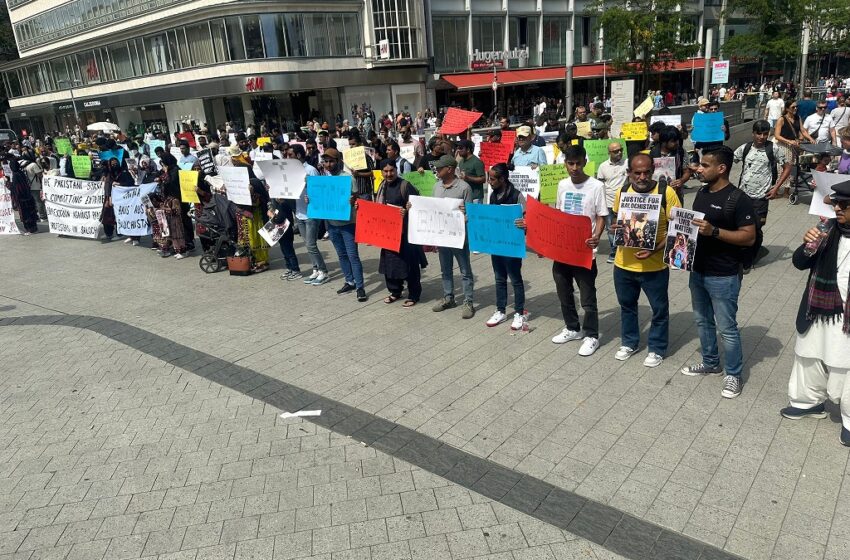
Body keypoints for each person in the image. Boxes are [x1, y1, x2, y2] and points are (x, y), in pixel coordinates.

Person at [682, 146, 757, 399]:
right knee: (703, 321)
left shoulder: (738, 199)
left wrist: (714, 231)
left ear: (721, 168)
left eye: (704, 165)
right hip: (698, 270)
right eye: (699, 165)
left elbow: (748, 237)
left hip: (724, 274)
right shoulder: (702, 193)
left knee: (727, 327)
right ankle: (710, 361)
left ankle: (734, 375)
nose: (698, 169)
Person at [780, 180, 850, 446]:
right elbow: (800, 262)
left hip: (847, 317)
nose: (837, 209)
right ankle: (807, 402)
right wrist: (807, 243)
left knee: (845, 365)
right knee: (807, 355)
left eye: (844, 205)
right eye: (836, 204)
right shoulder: (827, 228)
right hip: (820, 307)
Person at [611, 153, 681, 367]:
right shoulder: (622, 192)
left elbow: (679, 229)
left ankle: (657, 348)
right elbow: (617, 218)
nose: (642, 177)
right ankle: (630, 343)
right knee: (627, 306)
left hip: (655, 266)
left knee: (659, 309)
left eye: (646, 172)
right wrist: (616, 227)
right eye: (637, 173)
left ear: (653, 171)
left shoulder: (666, 193)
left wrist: (655, 250)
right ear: (629, 173)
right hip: (623, 264)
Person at [549, 145, 607, 356]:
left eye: (578, 163)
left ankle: (592, 335)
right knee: (564, 292)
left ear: (584, 162)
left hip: (584, 252)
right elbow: (558, 214)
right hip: (563, 251)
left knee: (587, 297)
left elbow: (601, 215)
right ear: (565, 163)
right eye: (570, 163)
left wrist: (597, 236)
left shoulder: (596, 186)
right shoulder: (563, 185)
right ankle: (573, 328)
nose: (574, 168)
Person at [423, 154, 475, 318]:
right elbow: (432, 209)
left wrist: (464, 215)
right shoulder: (437, 187)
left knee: (465, 270)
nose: (436, 170)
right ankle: (448, 298)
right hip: (442, 236)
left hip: (458, 236)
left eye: (439, 168)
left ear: (450, 169)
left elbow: (471, 213)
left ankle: (468, 301)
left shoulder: (464, 187)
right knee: (445, 269)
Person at [317, 145, 369, 302]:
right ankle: (349, 281)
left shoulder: (347, 178)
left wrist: (353, 201)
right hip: (332, 225)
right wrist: (311, 199)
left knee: (353, 256)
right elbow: (320, 200)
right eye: (325, 161)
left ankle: (360, 287)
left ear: (338, 161)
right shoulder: (324, 181)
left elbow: (357, 199)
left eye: (331, 161)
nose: (328, 164)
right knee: (341, 255)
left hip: (348, 224)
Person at [734, 120, 787, 271]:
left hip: (761, 198)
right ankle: (741, 256)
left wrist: (776, 187)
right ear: (753, 133)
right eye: (759, 133)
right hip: (743, 196)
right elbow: (730, 160)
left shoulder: (773, 148)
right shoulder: (745, 148)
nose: (762, 137)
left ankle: (750, 259)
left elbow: (787, 166)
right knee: (741, 227)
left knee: (756, 228)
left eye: (765, 134)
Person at [479, 163, 527, 330]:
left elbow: (528, 218)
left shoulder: (517, 196)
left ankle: (519, 313)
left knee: (515, 279)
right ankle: (500, 310)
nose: (489, 182)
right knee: (499, 278)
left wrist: (524, 223)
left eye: (492, 179)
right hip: (496, 245)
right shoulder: (493, 195)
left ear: (503, 179)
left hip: (512, 246)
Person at [375, 159, 425, 306]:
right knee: (389, 263)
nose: (389, 174)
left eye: (391, 170)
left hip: (405, 233)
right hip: (388, 232)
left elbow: (418, 205)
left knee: (409, 263)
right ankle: (395, 291)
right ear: (381, 172)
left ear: (396, 170)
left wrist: (407, 210)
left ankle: (414, 294)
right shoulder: (382, 186)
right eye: (385, 171)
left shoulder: (405, 186)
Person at [774, 99, 816, 196]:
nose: (795, 108)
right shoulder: (781, 119)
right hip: (783, 146)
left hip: (793, 147)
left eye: (796, 107)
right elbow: (777, 135)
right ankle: (776, 190)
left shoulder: (798, 117)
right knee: (783, 169)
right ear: (787, 108)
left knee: (791, 169)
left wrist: (810, 139)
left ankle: (786, 191)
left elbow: (803, 131)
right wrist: (789, 141)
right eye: (793, 107)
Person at [595, 141, 628, 263]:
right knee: (611, 229)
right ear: (609, 153)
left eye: (620, 150)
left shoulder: (627, 163)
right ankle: (614, 252)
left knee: (626, 227)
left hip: (625, 202)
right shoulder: (603, 166)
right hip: (609, 202)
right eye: (615, 151)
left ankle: (625, 251)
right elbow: (600, 184)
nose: (619, 153)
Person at [6, 159, 39, 235]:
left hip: (22, 199)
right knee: (31, 213)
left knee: (25, 215)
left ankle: (30, 230)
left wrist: (7, 183)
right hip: (28, 196)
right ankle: (34, 228)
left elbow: (15, 188)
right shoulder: (21, 173)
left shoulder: (15, 175)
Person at [455, 140, 486, 204]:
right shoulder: (461, 162)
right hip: (465, 196)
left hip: (475, 198)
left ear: (468, 149)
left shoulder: (477, 162)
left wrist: (468, 178)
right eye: (457, 148)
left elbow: (483, 179)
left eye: (460, 148)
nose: (458, 150)